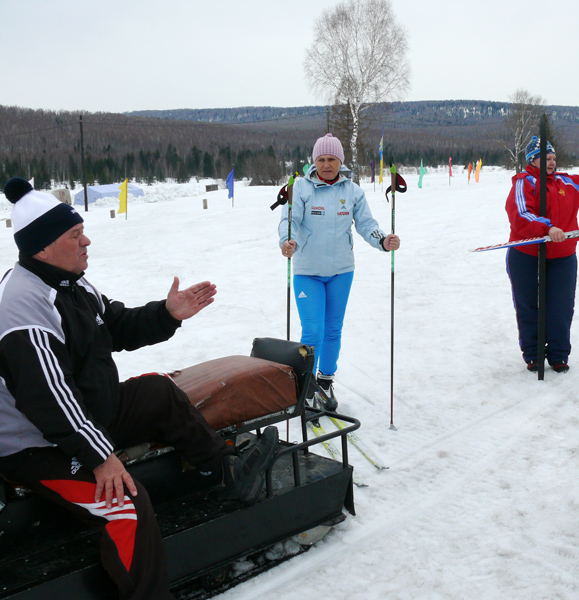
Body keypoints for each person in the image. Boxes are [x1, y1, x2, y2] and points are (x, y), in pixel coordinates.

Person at [0, 178, 280, 600]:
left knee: (157, 392)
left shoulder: (71, 282)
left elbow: (115, 325)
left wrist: (167, 313)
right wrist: (101, 458)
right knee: (127, 505)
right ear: (43, 247)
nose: (86, 241)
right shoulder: (21, 306)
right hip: (39, 444)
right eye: (75, 235)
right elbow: (49, 400)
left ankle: (227, 472)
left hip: (82, 416)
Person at [279, 133, 400, 411]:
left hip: (341, 272)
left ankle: (324, 382)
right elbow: (289, 220)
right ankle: (305, 385)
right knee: (313, 330)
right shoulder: (302, 188)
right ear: (314, 161)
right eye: (321, 159)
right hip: (308, 272)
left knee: (333, 329)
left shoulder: (353, 191)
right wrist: (287, 241)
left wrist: (382, 240)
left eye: (331, 159)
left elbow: (366, 224)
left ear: (340, 161)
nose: (326, 164)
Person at [505, 131, 579, 373]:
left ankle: (558, 354)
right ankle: (533, 353)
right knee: (528, 305)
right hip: (527, 255)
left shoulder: (566, 182)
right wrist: (547, 228)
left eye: (554, 158)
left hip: (563, 256)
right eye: (546, 158)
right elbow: (520, 214)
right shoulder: (524, 182)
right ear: (533, 160)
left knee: (561, 307)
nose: (552, 162)